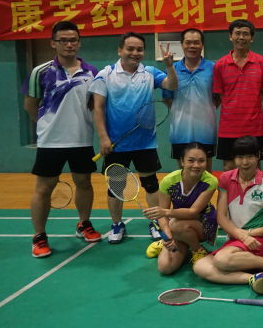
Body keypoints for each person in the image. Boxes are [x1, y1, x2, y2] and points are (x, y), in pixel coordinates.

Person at [23, 21, 101, 258]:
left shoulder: (92, 72)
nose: (69, 44)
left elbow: (94, 106)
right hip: (51, 142)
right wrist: (48, 126)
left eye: (73, 40)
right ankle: (39, 236)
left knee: (84, 183)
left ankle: (84, 223)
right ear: (53, 43)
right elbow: (30, 105)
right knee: (44, 188)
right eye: (63, 40)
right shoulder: (41, 72)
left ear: (79, 43)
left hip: (81, 140)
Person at [90, 32, 177, 244]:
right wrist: (103, 137)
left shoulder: (150, 72)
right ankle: (116, 224)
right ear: (120, 50)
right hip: (116, 144)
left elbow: (171, 85)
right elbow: (98, 108)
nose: (135, 53)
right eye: (130, 48)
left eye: (139, 49)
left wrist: (169, 66)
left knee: (151, 184)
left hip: (145, 142)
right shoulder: (105, 74)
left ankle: (155, 222)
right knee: (116, 188)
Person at [192, 137, 263, 294]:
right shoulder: (226, 179)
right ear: (234, 158)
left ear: (258, 156)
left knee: (221, 260)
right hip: (236, 240)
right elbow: (221, 217)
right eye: (240, 157)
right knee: (200, 267)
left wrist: (249, 234)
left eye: (249, 156)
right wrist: (242, 236)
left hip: (258, 240)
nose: (245, 162)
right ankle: (255, 278)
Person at [144, 143, 218, 274]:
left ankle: (197, 249)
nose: (196, 165)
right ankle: (167, 241)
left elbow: (193, 212)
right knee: (165, 267)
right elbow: (162, 216)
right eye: (191, 160)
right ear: (182, 161)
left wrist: (166, 213)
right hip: (178, 225)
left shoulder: (210, 181)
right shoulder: (169, 181)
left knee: (177, 225)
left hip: (203, 224)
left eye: (201, 161)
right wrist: (168, 236)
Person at [213, 19, 263, 171]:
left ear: (252, 38)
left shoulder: (261, 63)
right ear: (230, 36)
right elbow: (220, 96)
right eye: (237, 33)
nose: (241, 37)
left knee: (255, 167)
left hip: (255, 126)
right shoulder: (220, 65)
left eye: (245, 34)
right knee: (229, 167)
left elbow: (262, 92)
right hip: (228, 127)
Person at [162, 28, 217, 172]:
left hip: (206, 132)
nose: (192, 46)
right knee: (184, 174)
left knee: (206, 175)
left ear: (202, 45)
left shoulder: (213, 68)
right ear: (182, 44)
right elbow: (167, 98)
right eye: (188, 42)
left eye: (196, 42)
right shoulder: (172, 69)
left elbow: (217, 98)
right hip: (180, 133)